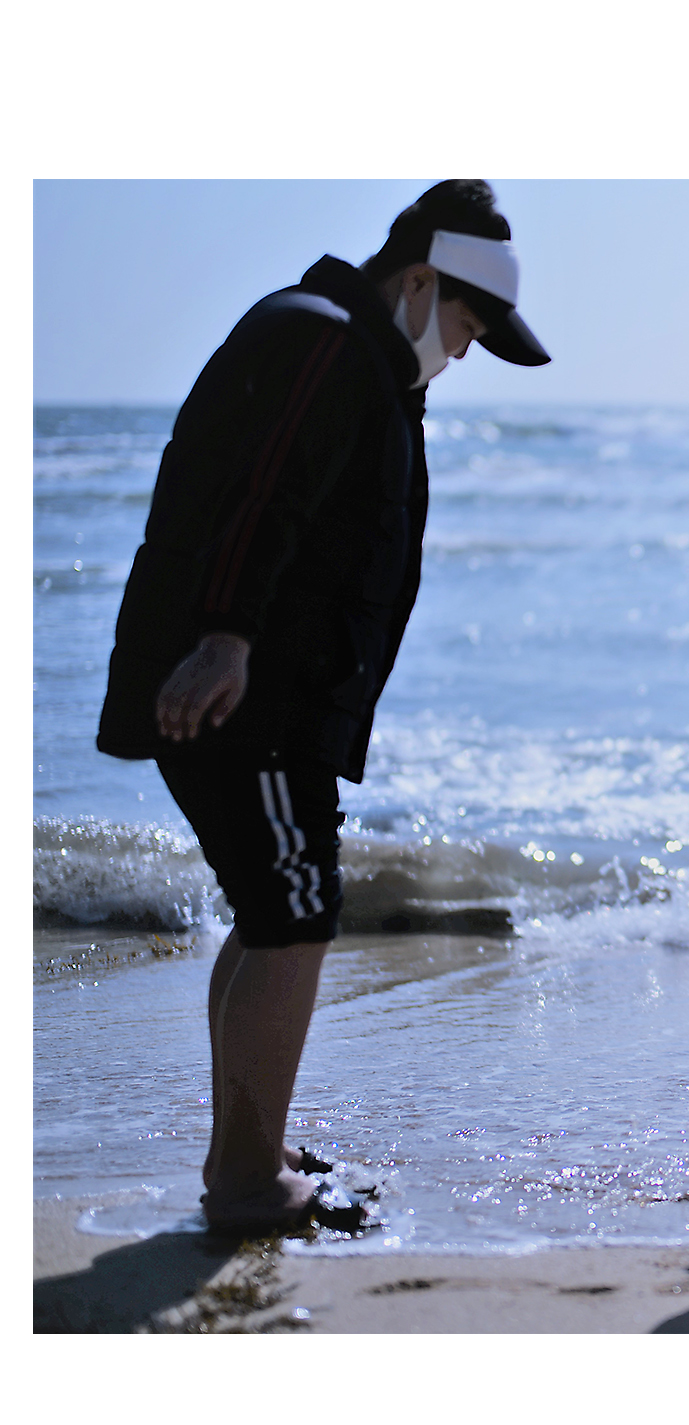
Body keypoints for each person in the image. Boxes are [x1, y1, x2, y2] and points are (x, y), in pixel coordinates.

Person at [95, 180, 551, 1233]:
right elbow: (264, 494)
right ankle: (248, 1183)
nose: (466, 352)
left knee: (274, 909)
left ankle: (247, 1146)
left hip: (272, 689)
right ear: (420, 280)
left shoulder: (355, 352)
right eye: (468, 325)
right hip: (251, 690)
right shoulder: (329, 342)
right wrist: (226, 636)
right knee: (293, 915)